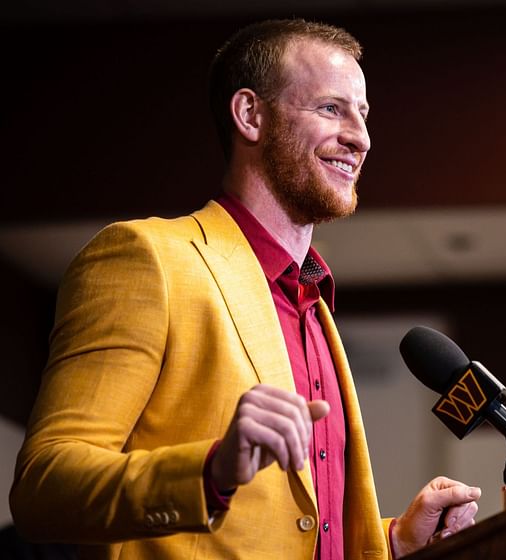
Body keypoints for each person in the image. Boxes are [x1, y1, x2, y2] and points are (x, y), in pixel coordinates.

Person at [10, 19, 480, 560]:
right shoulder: (147, 258)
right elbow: (43, 488)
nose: (361, 137)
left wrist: (392, 542)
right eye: (332, 109)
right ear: (250, 116)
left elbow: (292, 530)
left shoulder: (313, 301)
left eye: (363, 114)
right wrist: (211, 469)